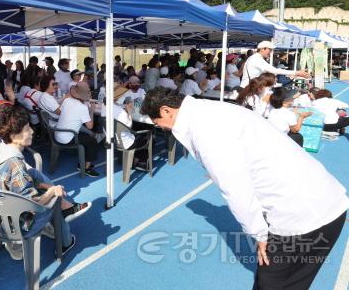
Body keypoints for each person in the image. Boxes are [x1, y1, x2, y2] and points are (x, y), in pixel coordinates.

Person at [141, 88, 348, 290]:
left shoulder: (203, 128)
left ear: (167, 110)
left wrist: (260, 235)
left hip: (302, 215)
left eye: (157, 122)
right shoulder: (211, 109)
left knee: (269, 283)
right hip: (326, 200)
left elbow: (237, 191)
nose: (161, 127)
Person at [0, 105, 90, 260]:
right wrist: (53, 191)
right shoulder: (16, 165)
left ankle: (17, 246)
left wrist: (42, 186)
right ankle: (66, 242)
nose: (32, 131)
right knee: (54, 199)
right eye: (27, 128)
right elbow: (32, 204)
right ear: (14, 134)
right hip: (14, 226)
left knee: (33, 174)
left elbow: (16, 184)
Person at [54, 82, 100, 177]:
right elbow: (90, 126)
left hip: (57, 134)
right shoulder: (83, 107)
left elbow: (65, 112)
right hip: (68, 137)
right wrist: (91, 111)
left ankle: (85, 162)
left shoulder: (67, 101)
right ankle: (86, 167)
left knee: (87, 136)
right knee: (92, 141)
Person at [241, 41, 310, 88]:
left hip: (250, 87)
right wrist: (296, 72)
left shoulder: (255, 58)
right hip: (249, 88)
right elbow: (274, 70)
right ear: (262, 49)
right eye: (270, 50)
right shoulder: (256, 59)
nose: (271, 52)